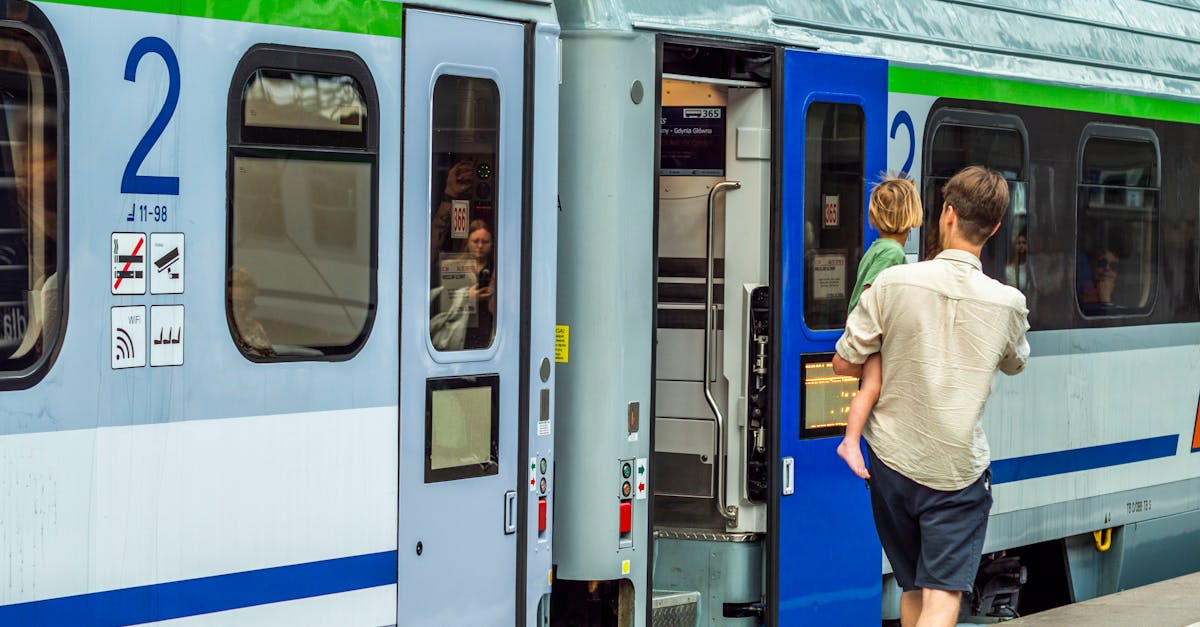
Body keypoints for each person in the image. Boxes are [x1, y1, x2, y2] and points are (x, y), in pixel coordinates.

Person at [833, 166, 1030, 627]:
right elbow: (1016, 361)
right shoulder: (1008, 303)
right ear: (995, 229)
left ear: (948, 214)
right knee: (942, 596)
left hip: (892, 463)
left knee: (913, 586)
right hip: (957, 471)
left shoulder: (892, 284)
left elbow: (844, 360)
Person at [836, 175, 923, 480]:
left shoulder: (878, 247)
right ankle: (850, 441)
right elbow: (874, 293)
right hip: (874, 335)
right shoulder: (893, 253)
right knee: (871, 388)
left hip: (867, 332)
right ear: (913, 214)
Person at [462, 219, 496, 349]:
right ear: (468, 242)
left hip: (489, 333)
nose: (480, 246)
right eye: (475, 241)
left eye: (485, 242)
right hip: (461, 332)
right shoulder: (455, 267)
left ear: (492, 244)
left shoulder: (498, 269)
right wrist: (469, 298)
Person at [229, 267, 273, 357]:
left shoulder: (255, 329)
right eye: (237, 304)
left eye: (247, 304)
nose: (243, 309)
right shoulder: (216, 331)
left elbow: (269, 357)